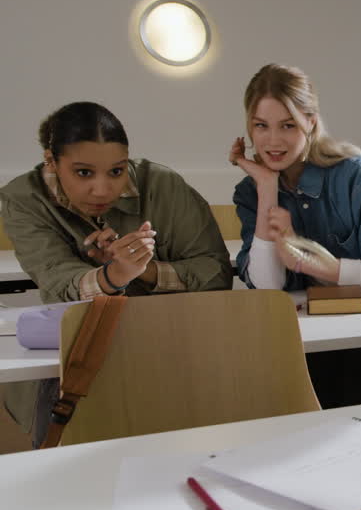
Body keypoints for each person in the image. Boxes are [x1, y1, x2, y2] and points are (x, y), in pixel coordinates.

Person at [1, 101, 232, 447]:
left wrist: (145, 271)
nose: (103, 189)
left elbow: (216, 273)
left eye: (116, 171)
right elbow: (59, 284)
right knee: (69, 459)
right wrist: (113, 276)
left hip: (170, 345)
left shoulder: (163, 185)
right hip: (78, 355)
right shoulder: (23, 199)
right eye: (83, 173)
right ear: (51, 161)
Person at [230, 63, 361, 408]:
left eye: (288, 125)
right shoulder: (250, 193)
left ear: (311, 121)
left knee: (354, 378)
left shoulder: (355, 174)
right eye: (261, 126)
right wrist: (266, 188)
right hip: (314, 334)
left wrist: (315, 265)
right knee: (286, 379)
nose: (272, 140)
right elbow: (267, 289)